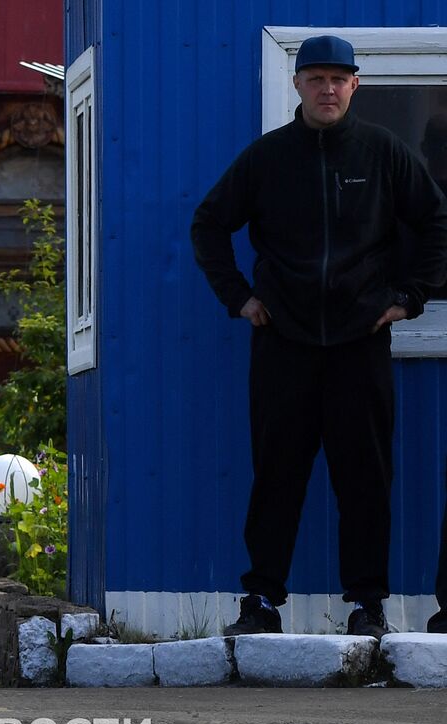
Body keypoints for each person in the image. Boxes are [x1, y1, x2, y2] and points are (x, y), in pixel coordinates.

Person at [191, 36, 447, 639]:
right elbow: (208, 224)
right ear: (299, 85)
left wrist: (409, 298)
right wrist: (240, 299)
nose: (327, 90)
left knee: (365, 477)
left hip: (361, 343)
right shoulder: (268, 159)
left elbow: (436, 221)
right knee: (277, 474)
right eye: (315, 79)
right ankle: (260, 602)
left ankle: (368, 603)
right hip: (284, 343)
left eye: (338, 79)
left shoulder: (384, 153)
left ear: (355, 85)